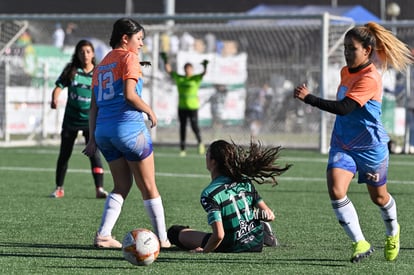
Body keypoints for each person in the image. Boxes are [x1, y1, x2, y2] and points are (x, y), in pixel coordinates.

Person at [293, 22, 413, 263]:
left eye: (352, 48)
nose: (347, 52)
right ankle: (360, 242)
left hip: (370, 148)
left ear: (367, 51)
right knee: (336, 191)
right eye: (345, 48)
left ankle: (393, 232)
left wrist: (310, 99)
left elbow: (344, 108)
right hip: (343, 143)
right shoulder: (345, 71)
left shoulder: (370, 78)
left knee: (378, 198)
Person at [83, 18, 170, 249]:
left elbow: (93, 107)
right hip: (129, 129)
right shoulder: (130, 58)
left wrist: (92, 138)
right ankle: (162, 239)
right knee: (149, 186)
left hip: (104, 132)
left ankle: (103, 235)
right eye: (139, 38)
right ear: (125, 38)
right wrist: (149, 110)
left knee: (121, 185)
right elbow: (130, 96)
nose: (141, 44)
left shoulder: (100, 65)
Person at [167, 139, 292, 253]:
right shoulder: (244, 181)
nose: (205, 156)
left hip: (230, 246)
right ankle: (260, 231)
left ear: (213, 161)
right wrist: (256, 215)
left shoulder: (209, 193)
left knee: (174, 233)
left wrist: (204, 251)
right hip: (256, 243)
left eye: (207, 154)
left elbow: (219, 236)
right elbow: (270, 215)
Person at [50, 39, 108, 199]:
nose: (85, 55)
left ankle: (99, 189)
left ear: (93, 54)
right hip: (71, 120)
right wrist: (54, 98)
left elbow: (104, 95)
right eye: (82, 52)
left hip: (91, 121)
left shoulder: (98, 72)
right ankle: (59, 188)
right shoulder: (72, 70)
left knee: (94, 154)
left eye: (88, 51)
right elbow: (59, 87)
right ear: (77, 54)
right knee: (64, 153)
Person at [160, 52, 208, 157]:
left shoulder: (195, 79)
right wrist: (165, 60)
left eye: (190, 69)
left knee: (194, 126)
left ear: (192, 70)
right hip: (182, 107)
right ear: (184, 70)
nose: (188, 71)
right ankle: (183, 149)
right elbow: (169, 71)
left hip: (193, 107)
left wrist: (205, 66)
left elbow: (204, 73)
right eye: (186, 69)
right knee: (182, 127)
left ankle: (200, 143)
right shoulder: (180, 78)